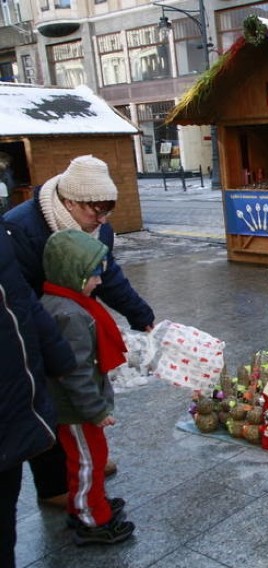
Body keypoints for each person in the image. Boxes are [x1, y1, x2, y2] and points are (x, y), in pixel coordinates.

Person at [3, 155, 154, 507]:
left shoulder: (99, 225)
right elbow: (18, 295)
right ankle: (54, 484)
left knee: (80, 392)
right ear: (70, 201)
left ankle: (86, 460)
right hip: (33, 323)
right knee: (48, 400)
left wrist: (140, 314)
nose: (100, 220)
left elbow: (106, 273)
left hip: (67, 318)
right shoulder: (20, 228)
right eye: (94, 211)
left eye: (106, 212)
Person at [40, 229, 135, 546]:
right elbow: (76, 372)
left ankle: (85, 505)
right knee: (88, 461)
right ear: (72, 275)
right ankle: (92, 518)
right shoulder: (70, 314)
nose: (99, 282)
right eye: (93, 276)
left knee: (87, 458)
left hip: (76, 407)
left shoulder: (64, 303)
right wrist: (96, 411)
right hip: (77, 410)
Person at [1, 218, 76, 567]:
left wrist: (58, 355)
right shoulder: (22, 227)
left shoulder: (4, 236)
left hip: (18, 401)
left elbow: (23, 303)